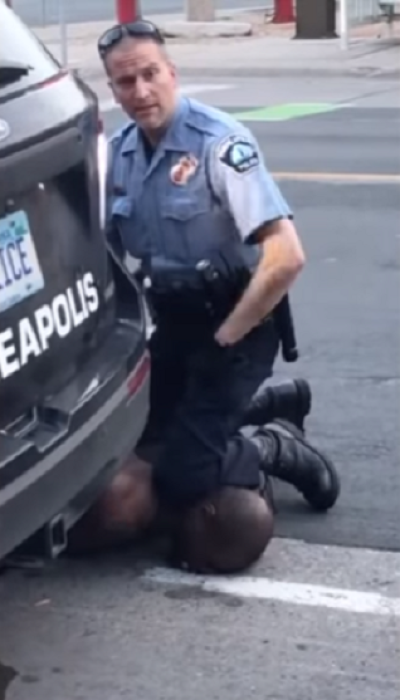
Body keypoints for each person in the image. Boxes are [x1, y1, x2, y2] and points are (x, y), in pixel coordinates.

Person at [68, 19, 340, 573]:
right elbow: (107, 255)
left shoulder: (220, 143)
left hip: (238, 324)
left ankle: (274, 443)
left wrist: (227, 335)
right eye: (124, 82)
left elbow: (286, 256)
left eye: (149, 75)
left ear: (172, 72)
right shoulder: (120, 156)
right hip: (172, 323)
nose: (140, 92)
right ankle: (265, 402)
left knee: (185, 471)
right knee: (142, 437)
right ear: (113, 89)